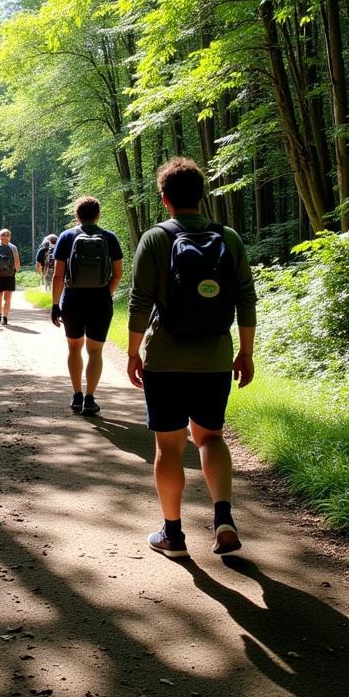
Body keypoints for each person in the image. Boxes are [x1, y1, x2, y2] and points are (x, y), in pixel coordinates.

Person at [126, 157, 256, 560]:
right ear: (202, 195)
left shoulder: (155, 238)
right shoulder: (229, 238)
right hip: (215, 357)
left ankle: (173, 535)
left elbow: (138, 301)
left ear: (165, 200)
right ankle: (223, 519)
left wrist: (133, 352)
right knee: (210, 436)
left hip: (165, 358)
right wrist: (246, 353)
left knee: (168, 447)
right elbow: (246, 299)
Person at [50, 198, 123, 416]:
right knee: (95, 351)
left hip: (72, 300)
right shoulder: (109, 237)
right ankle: (90, 398)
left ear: (76, 215)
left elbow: (58, 275)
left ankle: (77, 395)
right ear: (98, 215)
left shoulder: (66, 236)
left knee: (74, 348)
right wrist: (107, 292)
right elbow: (118, 273)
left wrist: (55, 304)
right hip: (100, 301)